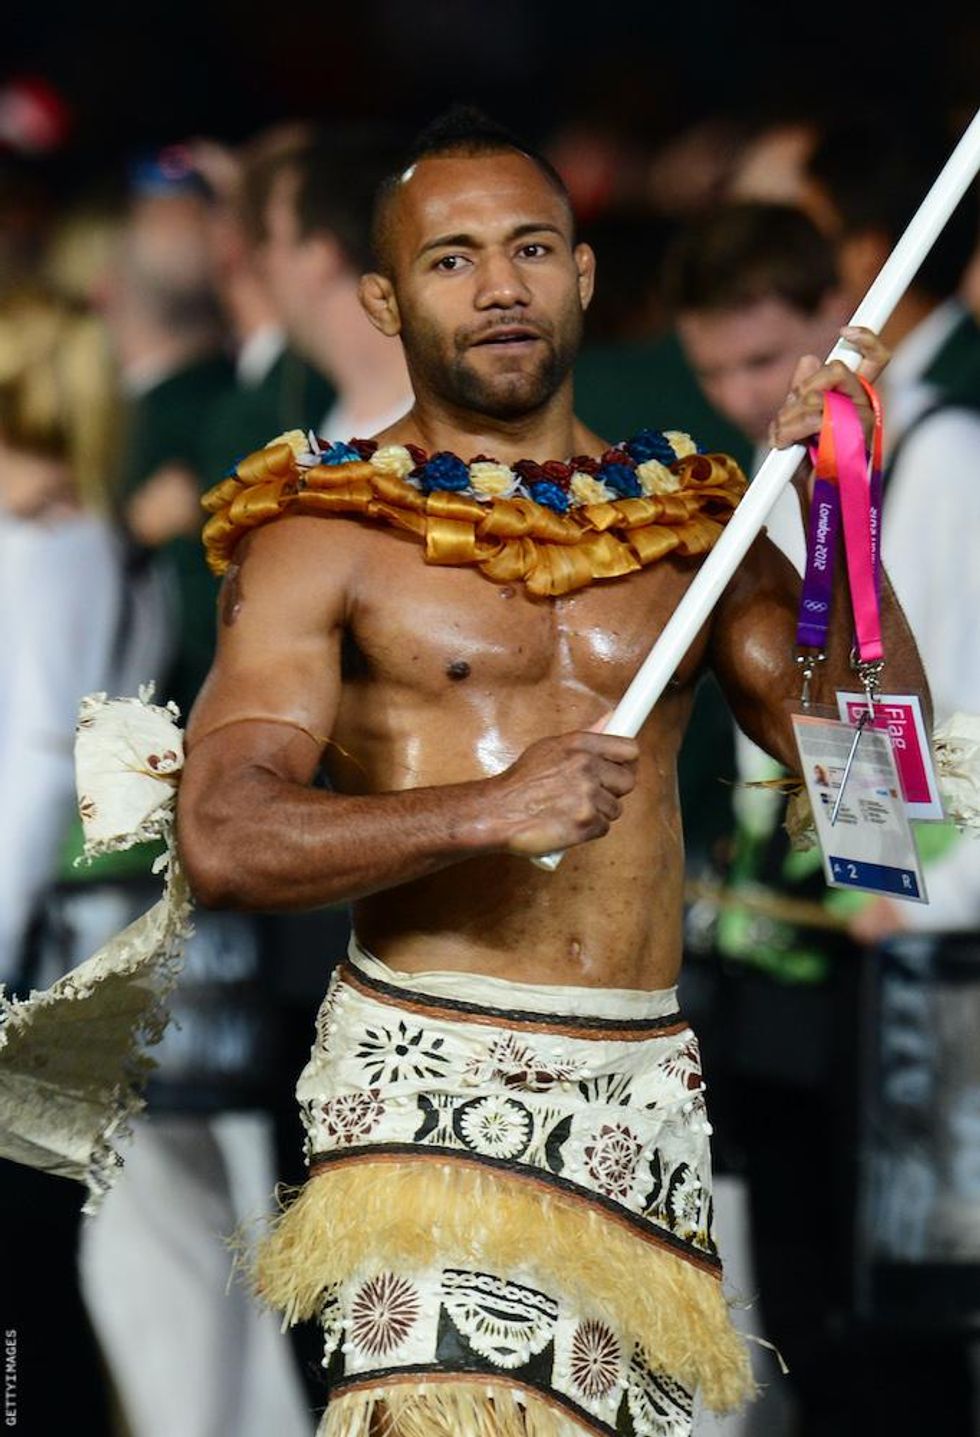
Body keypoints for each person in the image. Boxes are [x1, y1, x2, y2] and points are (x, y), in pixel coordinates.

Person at [177, 110, 927, 1437]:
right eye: (451, 259)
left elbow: (876, 790)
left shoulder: (690, 521)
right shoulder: (321, 531)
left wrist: (837, 508)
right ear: (385, 300)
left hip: (643, 1093)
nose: (499, 287)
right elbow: (224, 840)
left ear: (581, 275)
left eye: (529, 248)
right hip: (429, 1080)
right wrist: (491, 809)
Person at [666, 199, 979, 1433]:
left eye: (764, 357)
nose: (746, 394)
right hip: (795, 934)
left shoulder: (943, 457)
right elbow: (798, 704)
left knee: (899, 1308)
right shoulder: (771, 473)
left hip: (914, 944)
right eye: (715, 370)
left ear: (834, 320)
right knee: (797, 1303)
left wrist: (919, 892)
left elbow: (950, 700)